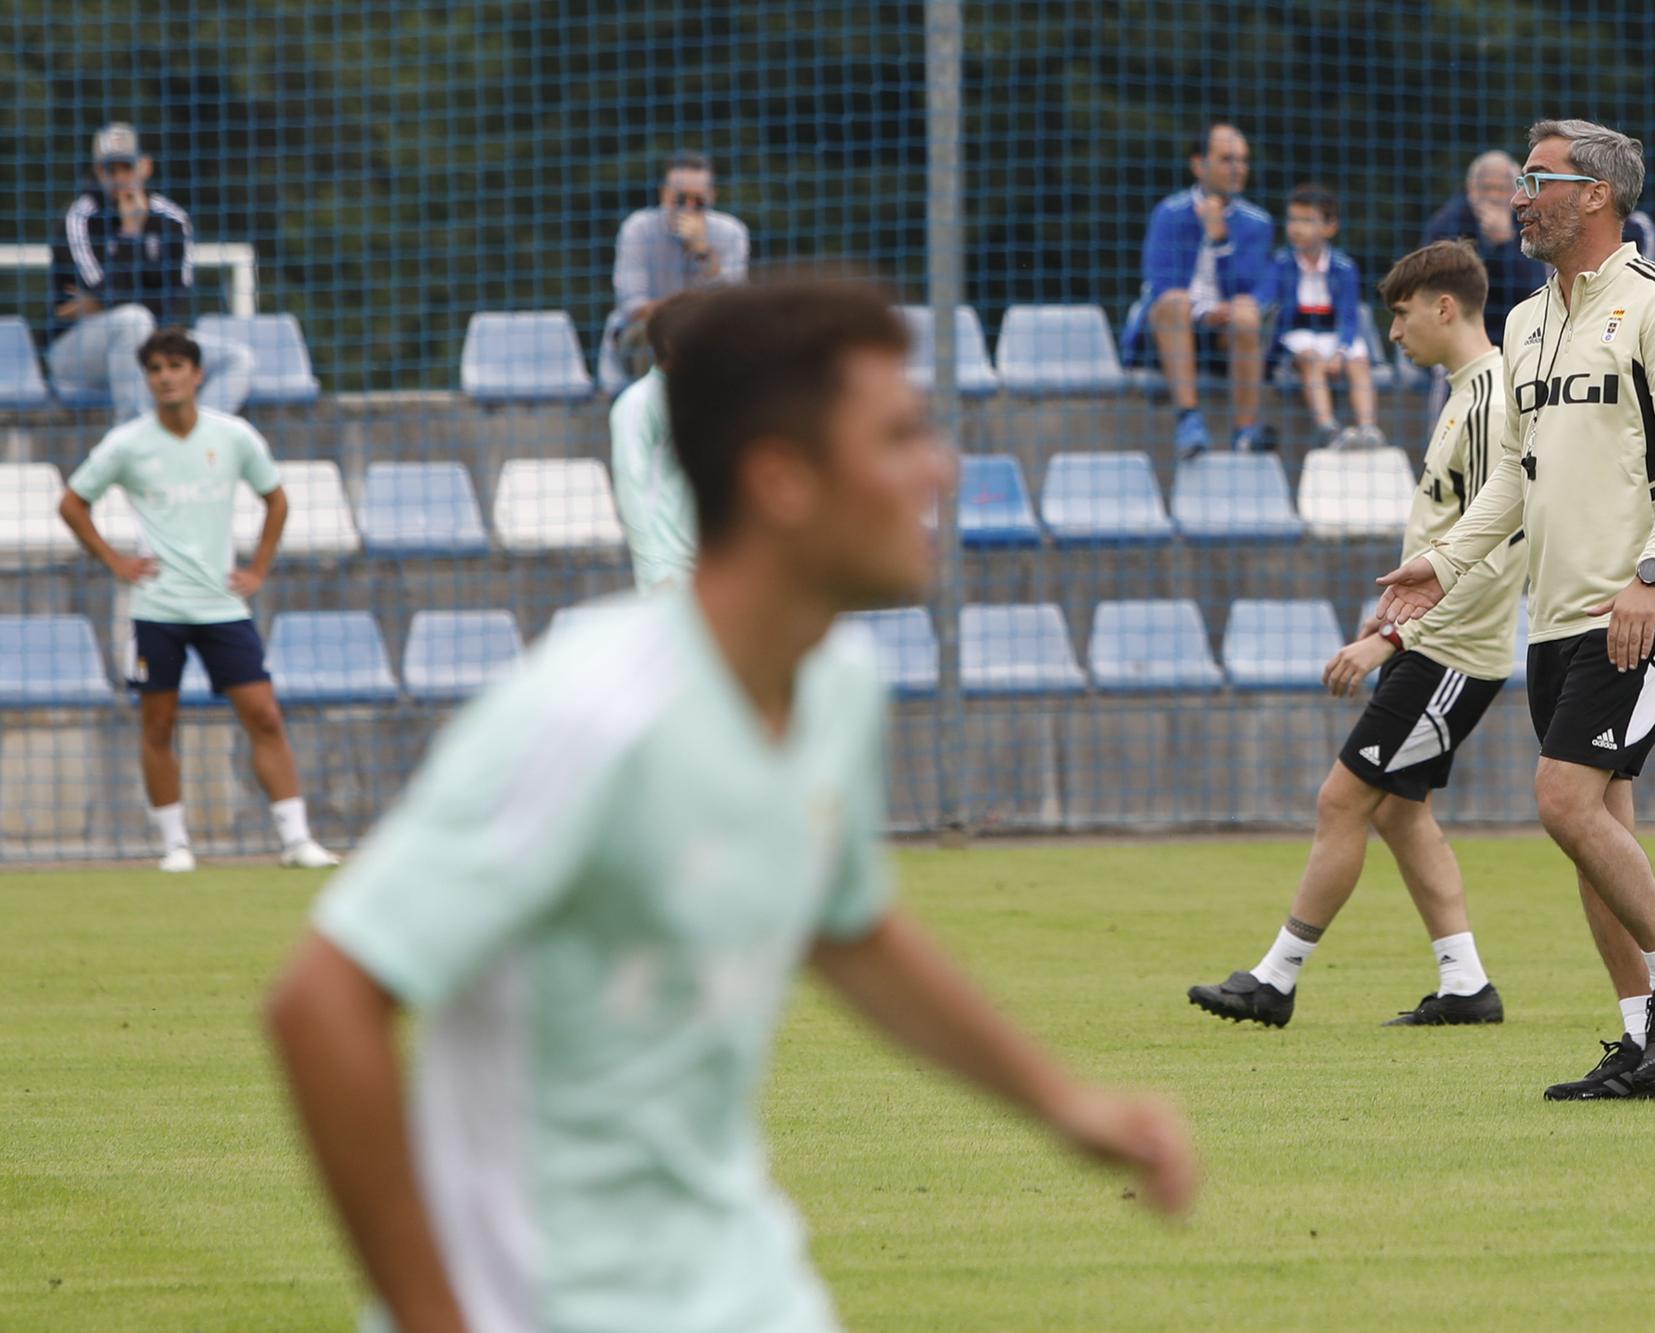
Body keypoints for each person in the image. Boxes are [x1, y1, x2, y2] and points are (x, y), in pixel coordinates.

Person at [265, 272, 1198, 1333]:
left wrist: (1061, 1103)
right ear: (781, 481)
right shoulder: (585, 714)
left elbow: (849, 927)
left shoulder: (837, 682)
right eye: (896, 437)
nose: (939, 466)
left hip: (744, 1288)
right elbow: (320, 1001)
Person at [1377, 120, 1655, 1101]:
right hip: (1554, 616)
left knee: (1561, 800)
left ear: (1592, 194)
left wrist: (1653, 574)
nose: (1516, 197)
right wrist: (1443, 563)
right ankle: (1647, 1044)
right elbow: (1510, 476)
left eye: (1536, 180)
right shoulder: (1527, 324)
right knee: (1593, 828)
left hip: (1639, 609)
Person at [1189, 240, 1524, 1029]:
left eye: (1402, 316)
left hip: (1452, 653)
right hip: (1436, 643)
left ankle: (1275, 978)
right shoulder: (1467, 393)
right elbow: (1453, 536)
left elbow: (1498, 549)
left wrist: (1396, 642)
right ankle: (1465, 983)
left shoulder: (1493, 402)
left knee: (1340, 799)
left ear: (1446, 307)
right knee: (1399, 813)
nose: (1394, 335)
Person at [57, 329, 338, 874]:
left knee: (265, 716)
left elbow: (276, 500)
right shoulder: (127, 443)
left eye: (175, 366)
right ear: (148, 380)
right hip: (156, 608)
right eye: (155, 369)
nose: (165, 377)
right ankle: (175, 845)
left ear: (197, 374)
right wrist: (115, 561)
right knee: (158, 725)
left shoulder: (233, 437)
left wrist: (258, 568)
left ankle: (297, 839)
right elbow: (71, 503)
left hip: (222, 607)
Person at [48, 122, 253, 422]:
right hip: (77, 351)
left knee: (237, 359)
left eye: (126, 167)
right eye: (109, 169)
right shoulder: (80, 218)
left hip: (154, 338)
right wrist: (131, 233)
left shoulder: (171, 220)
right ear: (97, 171)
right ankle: (138, 449)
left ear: (144, 167)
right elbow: (109, 292)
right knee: (132, 321)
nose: (119, 178)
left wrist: (102, 303)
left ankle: (192, 441)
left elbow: (175, 299)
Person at [1120, 123, 1277, 457]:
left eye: (1243, 160)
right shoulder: (1169, 214)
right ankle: (1188, 421)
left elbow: (1256, 287)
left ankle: (1245, 434)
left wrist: (1219, 239)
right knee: (1175, 302)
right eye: (1227, 159)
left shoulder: (1257, 222)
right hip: (1171, 328)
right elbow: (1159, 283)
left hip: (1223, 333)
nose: (1238, 168)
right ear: (1198, 165)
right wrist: (1204, 312)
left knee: (1247, 316)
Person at [1427, 149, 1655, 348]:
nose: (1493, 197)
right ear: (1470, 189)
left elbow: (1537, 286)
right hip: (1467, 337)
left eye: (1501, 189)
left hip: (1531, 335)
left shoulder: (1531, 218)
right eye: (1485, 189)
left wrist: (1506, 242)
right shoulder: (1448, 224)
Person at [598, 148, 750, 393]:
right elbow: (634, 307)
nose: (688, 208)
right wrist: (687, 313)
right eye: (680, 200)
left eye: (698, 201)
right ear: (663, 194)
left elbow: (733, 307)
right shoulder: (638, 229)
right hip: (646, 334)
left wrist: (704, 254)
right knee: (650, 340)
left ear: (713, 196)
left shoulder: (731, 232)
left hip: (706, 335)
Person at [1268, 184, 1383, 450]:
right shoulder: (1281, 264)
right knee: (1310, 359)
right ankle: (1328, 427)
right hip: (1297, 336)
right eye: (1293, 219)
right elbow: (1269, 302)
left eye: (1307, 221)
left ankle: (1368, 428)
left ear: (1330, 227)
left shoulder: (1344, 268)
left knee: (1359, 360)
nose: (1297, 227)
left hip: (1334, 334)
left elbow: (1349, 316)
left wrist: (1341, 351)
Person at [609, 296, 700, 591]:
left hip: (719, 578)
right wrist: (657, 574)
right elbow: (630, 492)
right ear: (672, 343)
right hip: (672, 579)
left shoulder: (718, 401)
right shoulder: (638, 403)